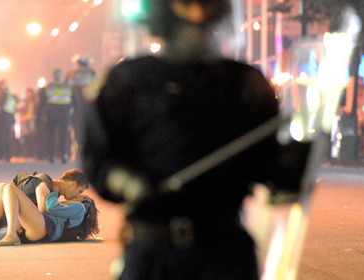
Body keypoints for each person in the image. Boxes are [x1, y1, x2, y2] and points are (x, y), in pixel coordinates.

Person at [82, 0, 310, 279]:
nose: (198, 12)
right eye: (187, 3)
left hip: (225, 253)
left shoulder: (244, 83)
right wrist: (129, 182)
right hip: (154, 253)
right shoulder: (129, 81)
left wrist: (293, 163)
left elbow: (266, 165)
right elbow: (100, 159)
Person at [39, 69, 74, 164]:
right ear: (61, 76)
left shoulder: (49, 86)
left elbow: (42, 101)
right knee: (64, 134)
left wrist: (40, 113)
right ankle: (63, 155)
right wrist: (72, 110)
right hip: (64, 112)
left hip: (51, 112)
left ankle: (52, 156)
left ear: (53, 76)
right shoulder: (67, 86)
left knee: (51, 134)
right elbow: (75, 100)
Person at [69, 56, 96, 158]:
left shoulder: (74, 73)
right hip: (89, 104)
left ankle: (77, 151)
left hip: (76, 105)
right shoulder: (91, 73)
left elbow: (69, 87)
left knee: (76, 128)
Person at [0, 80, 18, 163]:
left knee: (1, 135)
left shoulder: (3, 94)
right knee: (6, 136)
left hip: (3, 116)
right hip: (10, 116)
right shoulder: (11, 93)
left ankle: (3, 154)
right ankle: (7, 155)